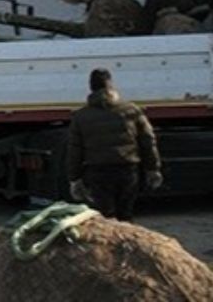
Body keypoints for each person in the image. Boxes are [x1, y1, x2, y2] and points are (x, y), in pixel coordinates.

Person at [67, 68, 162, 222]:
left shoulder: (81, 116)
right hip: (127, 169)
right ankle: (127, 243)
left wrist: (74, 179)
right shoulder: (131, 110)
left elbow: (74, 150)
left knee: (106, 216)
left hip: (98, 171)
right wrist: (153, 169)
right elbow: (148, 140)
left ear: (91, 87)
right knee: (126, 215)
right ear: (111, 85)